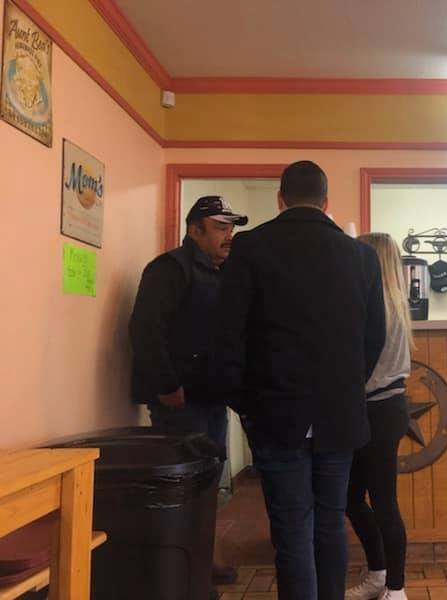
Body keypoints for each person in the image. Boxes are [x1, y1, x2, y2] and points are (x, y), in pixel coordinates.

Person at [214, 160, 386, 600]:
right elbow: (374, 338)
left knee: (292, 531)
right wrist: (348, 386)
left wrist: (244, 404)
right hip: (340, 415)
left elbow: (227, 335)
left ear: (280, 199)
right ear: (326, 203)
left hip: (274, 413)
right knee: (330, 524)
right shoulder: (362, 257)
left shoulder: (250, 247)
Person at [129, 194, 247, 587]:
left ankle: (201, 560)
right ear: (194, 230)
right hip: (180, 400)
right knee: (184, 486)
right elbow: (146, 330)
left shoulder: (222, 273)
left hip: (211, 396)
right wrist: (167, 385)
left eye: (231, 228)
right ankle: (182, 569)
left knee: (209, 481)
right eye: (220, 227)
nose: (228, 235)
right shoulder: (170, 269)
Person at [345, 233, 412, 600]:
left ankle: (396, 588)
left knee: (381, 502)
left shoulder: (374, 304)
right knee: (353, 498)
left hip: (378, 408)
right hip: (385, 407)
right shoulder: (395, 301)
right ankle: (380, 575)